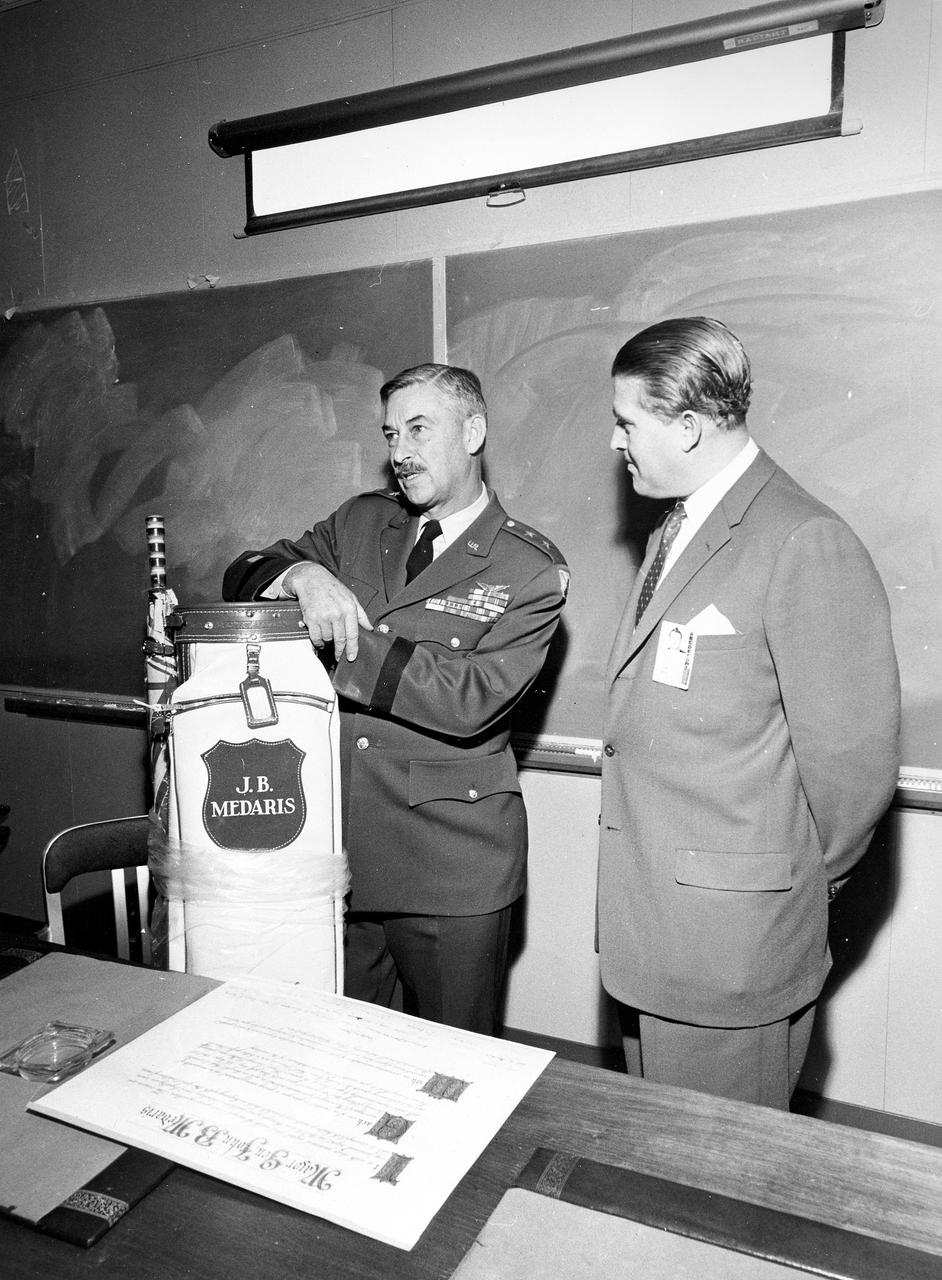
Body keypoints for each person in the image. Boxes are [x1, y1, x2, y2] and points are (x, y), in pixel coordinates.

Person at [599, 316, 900, 1108]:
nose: (616, 441)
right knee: (663, 1184)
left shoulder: (802, 540)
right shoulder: (679, 529)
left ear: (689, 427)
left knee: (712, 1202)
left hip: (731, 954)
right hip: (654, 939)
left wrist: (781, 890)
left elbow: (853, 776)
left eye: (628, 422)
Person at [223, 363, 569, 1036]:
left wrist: (346, 637)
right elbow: (245, 570)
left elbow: (471, 699)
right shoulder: (361, 522)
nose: (400, 453)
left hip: (450, 869)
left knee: (453, 1074)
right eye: (390, 434)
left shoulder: (528, 567)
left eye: (418, 429)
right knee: (346, 1061)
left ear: (474, 432)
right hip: (345, 858)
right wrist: (305, 574)